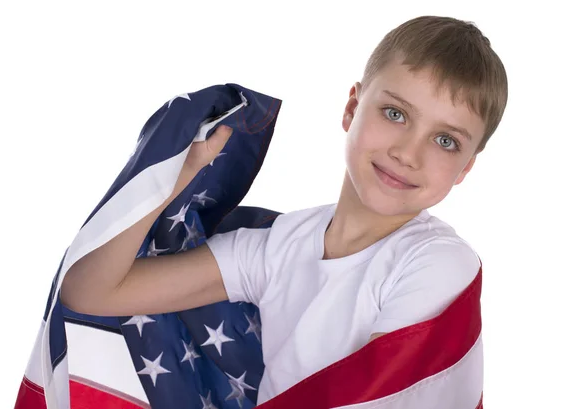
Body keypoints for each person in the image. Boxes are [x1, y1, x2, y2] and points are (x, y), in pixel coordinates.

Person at [60, 15, 508, 405]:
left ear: (465, 168)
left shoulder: (439, 264)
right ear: (352, 107)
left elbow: (375, 396)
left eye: (445, 140)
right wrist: (165, 185)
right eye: (395, 113)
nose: (408, 153)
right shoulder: (278, 247)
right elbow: (91, 293)